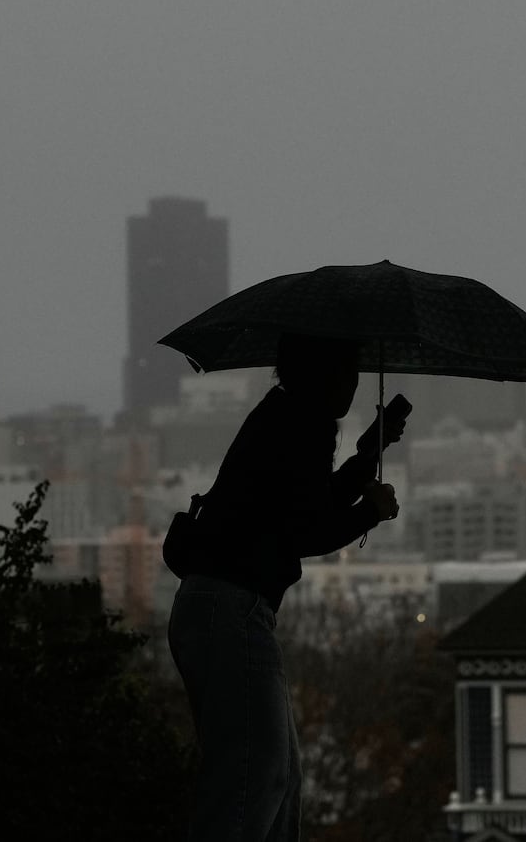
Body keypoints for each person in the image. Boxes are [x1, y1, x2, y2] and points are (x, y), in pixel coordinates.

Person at [166, 332, 407, 842]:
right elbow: (307, 530)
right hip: (232, 610)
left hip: (217, 608)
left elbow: (303, 508)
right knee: (256, 778)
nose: (352, 384)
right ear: (322, 375)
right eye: (346, 372)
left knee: (274, 777)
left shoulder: (284, 418)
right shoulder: (302, 425)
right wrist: (372, 510)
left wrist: (368, 454)